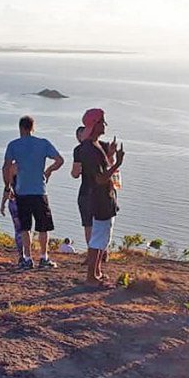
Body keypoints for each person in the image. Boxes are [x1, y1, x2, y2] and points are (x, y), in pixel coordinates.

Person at [2, 115, 65, 269]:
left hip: (21, 191)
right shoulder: (43, 143)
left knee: (25, 228)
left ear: (20, 128)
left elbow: (6, 167)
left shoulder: (13, 145)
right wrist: (48, 170)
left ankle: (27, 259)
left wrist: (7, 186)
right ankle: (44, 258)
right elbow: (60, 160)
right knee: (43, 227)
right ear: (32, 127)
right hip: (39, 191)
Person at [78, 108, 124, 286]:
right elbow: (99, 178)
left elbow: (100, 171)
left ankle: (96, 272)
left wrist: (110, 155)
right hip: (99, 199)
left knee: (103, 237)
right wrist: (118, 163)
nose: (105, 125)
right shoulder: (90, 149)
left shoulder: (96, 146)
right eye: (102, 121)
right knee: (98, 238)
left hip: (104, 197)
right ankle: (91, 277)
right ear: (94, 124)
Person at [0, 178, 23, 263]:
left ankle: (22, 254)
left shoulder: (12, 175)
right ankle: (23, 255)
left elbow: (7, 190)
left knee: (19, 230)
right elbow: (8, 191)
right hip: (18, 205)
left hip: (13, 204)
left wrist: (2, 205)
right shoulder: (21, 179)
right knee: (23, 230)